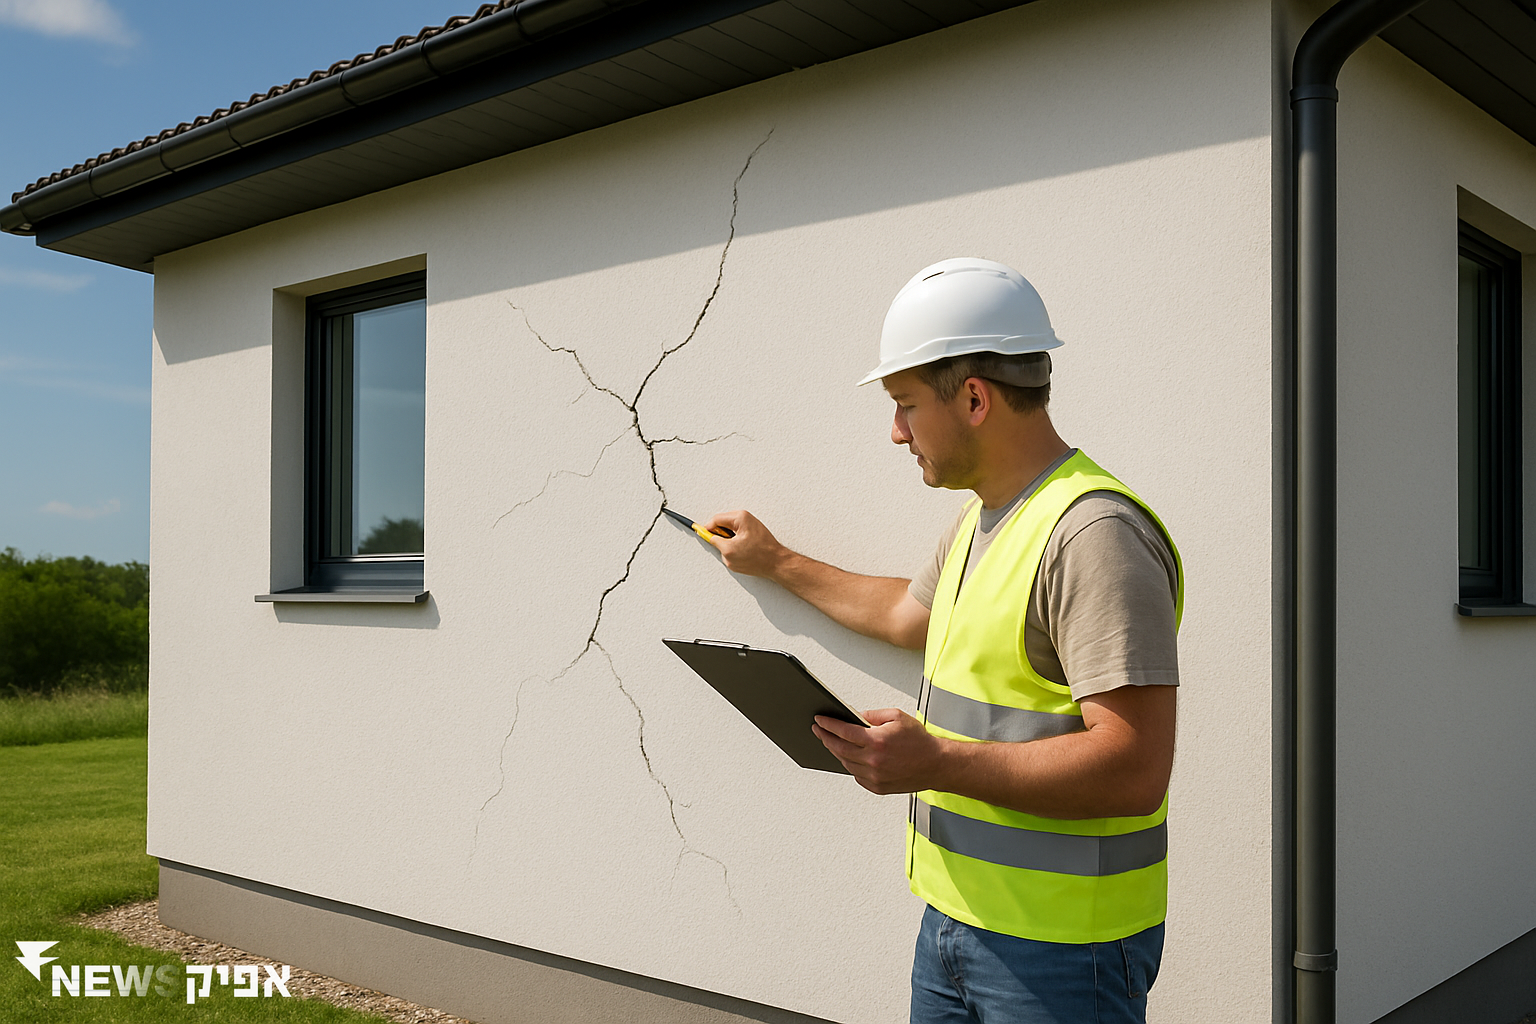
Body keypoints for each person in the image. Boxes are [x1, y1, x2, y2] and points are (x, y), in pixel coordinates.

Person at [703, 258, 1182, 1024]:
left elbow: (1135, 768)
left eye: (904, 405)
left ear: (974, 398)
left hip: (1060, 952)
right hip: (954, 923)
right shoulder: (987, 518)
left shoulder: (1094, 535)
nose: (895, 433)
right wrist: (776, 561)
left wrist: (937, 763)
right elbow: (908, 615)